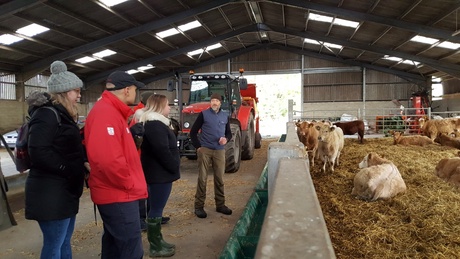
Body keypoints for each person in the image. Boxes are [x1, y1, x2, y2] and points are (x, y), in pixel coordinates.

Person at [25, 60, 86, 259]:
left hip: (63, 191)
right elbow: (39, 151)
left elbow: (65, 147)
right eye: (76, 91)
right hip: (51, 192)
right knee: (54, 245)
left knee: (62, 242)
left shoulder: (62, 115)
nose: (79, 95)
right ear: (63, 92)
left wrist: (81, 163)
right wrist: (68, 168)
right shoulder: (46, 115)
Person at [84, 71, 148, 259]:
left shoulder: (112, 111)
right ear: (127, 90)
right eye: (136, 89)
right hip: (119, 194)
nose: (136, 93)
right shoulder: (106, 113)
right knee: (130, 249)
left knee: (114, 246)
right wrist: (128, 183)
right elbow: (107, 160)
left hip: (118, 192)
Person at [139, 94, 180, 257]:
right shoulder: (155, 125)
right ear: (159, 106)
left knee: (157, 208)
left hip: (159, 173)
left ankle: (158, 240)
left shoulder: (156, 123)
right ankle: (155, 246)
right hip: (159, 174)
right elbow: (161, 150)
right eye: (167, 105)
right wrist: (173, 166)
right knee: (156, 208)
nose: (170, 108)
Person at [190, 93, 233, 218]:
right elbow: (193, 132)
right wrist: (198, 147)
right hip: (206, 149)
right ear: (210, 102)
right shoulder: (203, 114)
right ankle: (199, 207)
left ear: (220, 103)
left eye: (216, 101)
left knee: (219, 178)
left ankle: (220, 205)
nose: (214, 102)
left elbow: (229, 133)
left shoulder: (225, 116)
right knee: (202, 178)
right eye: (212, 100)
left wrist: (226, 139)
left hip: (219, 150)